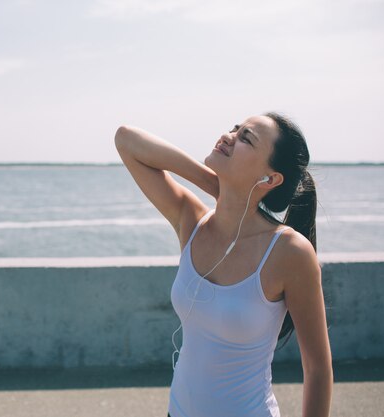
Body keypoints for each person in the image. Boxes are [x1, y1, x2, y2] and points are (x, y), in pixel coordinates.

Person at [114, 113, 333, 417]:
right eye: (234, 128)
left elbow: (318, 369)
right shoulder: (192, 221)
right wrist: (211, 181)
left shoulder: (289, 252)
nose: (230, 135)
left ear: (270, 179)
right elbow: (127, 139)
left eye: (246, 138)